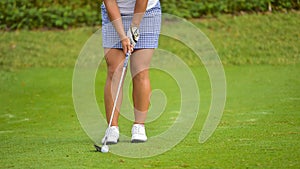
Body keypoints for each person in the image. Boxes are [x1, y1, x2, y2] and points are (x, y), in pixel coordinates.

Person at [101, 0, 161, 144]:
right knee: (114, 71)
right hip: (114, 16)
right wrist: (123, 36)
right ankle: (112, 128)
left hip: (146, 13)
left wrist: (134, 29)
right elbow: (109, 2)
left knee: (140, 71)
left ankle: (139, 126)